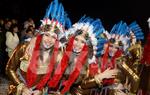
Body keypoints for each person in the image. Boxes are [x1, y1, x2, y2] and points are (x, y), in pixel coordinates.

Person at [5, 0, 72, 94]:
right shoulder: (25, 47)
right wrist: (21, 86)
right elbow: (9, 68)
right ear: (41, 34)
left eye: (53, 37)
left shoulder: (57, 56)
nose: (49, 40)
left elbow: (51, 81)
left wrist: (41, 90)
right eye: (47, 35)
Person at [47, 16, 119, 94]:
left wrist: (100, 76)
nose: (78, 44)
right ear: (71, 39)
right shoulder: (60, 53)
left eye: (82, 42)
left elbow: (83, 85)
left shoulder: (89, 62)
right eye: (76, 39)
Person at [100, 21, 144, 95]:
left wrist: (131, 93)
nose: (112, 49)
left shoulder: (120, 62)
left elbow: (136, 78)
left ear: (120, 49)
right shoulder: (100, 59)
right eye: (111, 46)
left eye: (116, 48)